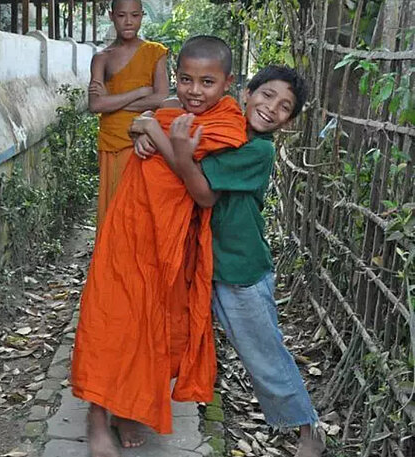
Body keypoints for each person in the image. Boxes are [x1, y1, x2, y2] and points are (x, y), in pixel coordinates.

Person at [71, 36, 248, 456]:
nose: (194, 91)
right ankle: (97, 414)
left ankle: (128, 406)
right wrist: (145, 126)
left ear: (228, 83)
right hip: (130, 227)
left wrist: (150, 128)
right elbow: (156, 121)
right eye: (186, 79)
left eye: (207, 82)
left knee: (154, 322)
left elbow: (203, 191)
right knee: (111, 315)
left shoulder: (229, 123)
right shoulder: (173, 114)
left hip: (172, 241)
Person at [151, 65, 325, 457]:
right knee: (172, 334)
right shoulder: (223, 122)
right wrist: (149, 128)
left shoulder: (258, 150)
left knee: (262, 355)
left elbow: (199, 187)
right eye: (267, 96)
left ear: (289, 122)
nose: (271, 108)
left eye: (284, 107)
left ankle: (308, 430)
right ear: (246, 93)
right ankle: (141, 408)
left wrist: (162, 141)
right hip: (203, 261)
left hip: (240, 269)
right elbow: (174, 111)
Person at [87, 0, 169, 230]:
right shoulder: (102, 58)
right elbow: (95, 104)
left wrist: (112, 103)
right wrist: (141, 92)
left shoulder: (155, 52)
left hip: (144, 141)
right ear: (112, 16)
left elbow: (162, 99)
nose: (129, 21)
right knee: (113, 210)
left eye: (134, 15)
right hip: (113, 143)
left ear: (142, 16)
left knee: (139, 212)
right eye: (122, 15)